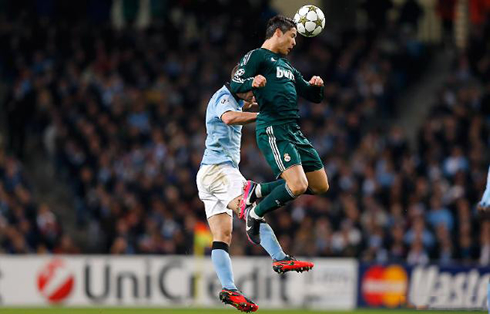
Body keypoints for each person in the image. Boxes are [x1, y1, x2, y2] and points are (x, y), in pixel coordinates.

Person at [196, 73, 313, 313]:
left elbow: (254, 102)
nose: (253, 96)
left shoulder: (237, 97)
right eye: (251, 91)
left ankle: (229, 288)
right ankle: (280, 257)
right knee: (252, 211)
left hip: (207, 175)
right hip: (219, 171)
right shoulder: (223, 97)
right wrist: (263, 117)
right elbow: (229, 118)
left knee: (222, 235)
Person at [230, 15, 329, 244]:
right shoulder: (257, 56)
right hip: (273, 128)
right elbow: (236, 83)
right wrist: (251, 83)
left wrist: (317, 87)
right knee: (298, 185)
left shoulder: (287, 66)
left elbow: (312, 96)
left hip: (294, 131)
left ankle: (256, 191)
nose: (294, 42)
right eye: (292, 36)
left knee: (319, 185)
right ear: (277, 33)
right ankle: (254, 214)